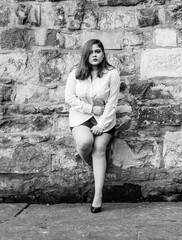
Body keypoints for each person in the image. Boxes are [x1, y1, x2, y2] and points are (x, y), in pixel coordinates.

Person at [65, 39, 121, 213]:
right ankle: (98, 168)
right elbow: (70, 98)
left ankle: (98, 195)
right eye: (90, 52)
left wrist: (102, 124)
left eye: (97, 51)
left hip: (105, 117)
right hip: (81, 115)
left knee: (99, 149)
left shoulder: (112, 74)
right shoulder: (75, 72)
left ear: (103, 53)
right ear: (85, 55)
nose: (94, 55)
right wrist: (91, 108)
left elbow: (112, 104)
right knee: (84, 143)